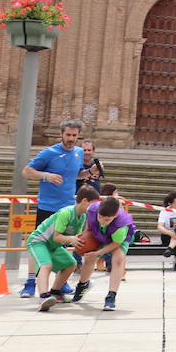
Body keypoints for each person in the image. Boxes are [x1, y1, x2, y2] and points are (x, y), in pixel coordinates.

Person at [18, 121, 84, 298]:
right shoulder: (49, 153)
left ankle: (59, 283)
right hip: (48, 207)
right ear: (61, 134)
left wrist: (87, 173)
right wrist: (46, 175)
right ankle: (30, 282)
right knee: (38, 245)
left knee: (59, 245)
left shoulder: (79, 152)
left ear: (78, 136)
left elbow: (74, 174)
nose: (71, 139)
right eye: (68, 135)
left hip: (67, 207)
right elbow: (26, 171)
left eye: (74, 135)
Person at [32, 185, 100, 312]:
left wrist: (84, 246)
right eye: (92, 205)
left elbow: (77, 238)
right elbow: (57, 237)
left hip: (54, 245)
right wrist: (72, 239)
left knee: (71, 264)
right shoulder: (66, 213)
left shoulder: (83, 217)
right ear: (84, 201)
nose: (94, 209)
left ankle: (55, 292)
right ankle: (43, 297)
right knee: (45, 265)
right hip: (39, 242)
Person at [72, 196, 134, 311]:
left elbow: (115, 244)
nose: (102, 221)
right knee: (89, 257)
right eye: (100, 217)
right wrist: (83, 238)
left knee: (118, 258)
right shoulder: (92, 210)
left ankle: (111, 295)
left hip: (116, 240)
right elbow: (88, 229)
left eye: (107, 220)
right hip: (98, 233)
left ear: (115, 215)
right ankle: (83, 284)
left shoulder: (122, 223)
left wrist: (98, 252)